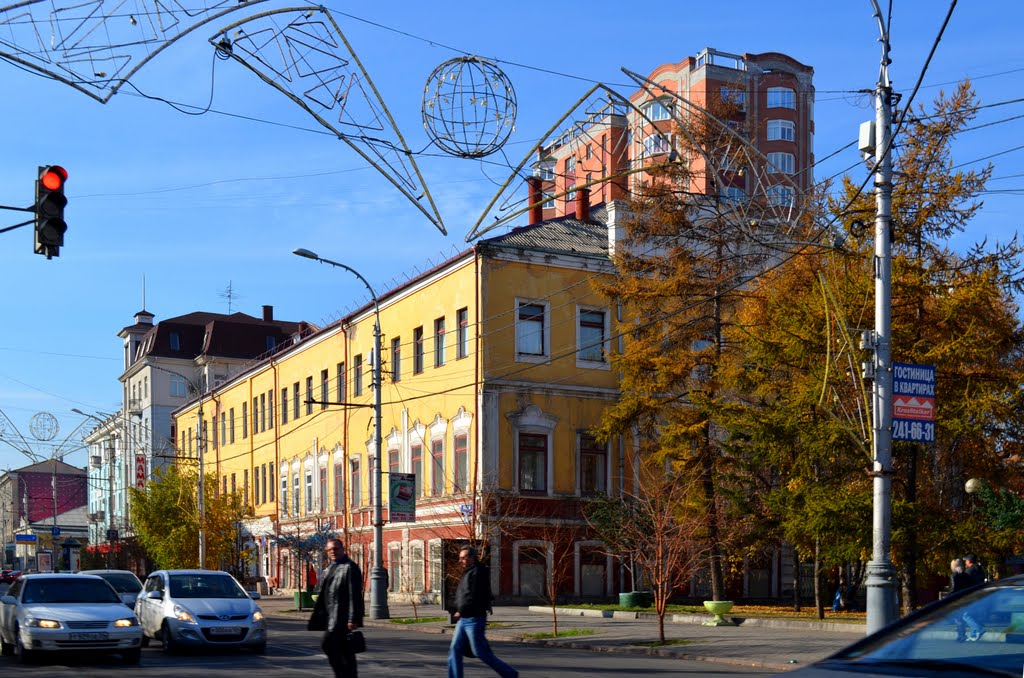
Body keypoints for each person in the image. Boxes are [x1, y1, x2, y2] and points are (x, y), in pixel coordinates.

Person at [447, 546, 517, 678]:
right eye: (460, 558)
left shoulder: (479, 572)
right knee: (455, 649)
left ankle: (510, 674)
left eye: (463, 558)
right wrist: (458, 609)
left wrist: (461, 610)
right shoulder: (468, 572)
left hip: (474, 618)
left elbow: (474, 595)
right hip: (464, 619)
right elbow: (464, 594)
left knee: (480, 652)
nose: (460, 561)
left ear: (472, 558)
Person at [309, 539, 364, 678]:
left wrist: (353, 618)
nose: (333, 552)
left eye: (336, 549)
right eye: (330, 550)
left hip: (342, 618)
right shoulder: (332, 567)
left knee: (329, 645)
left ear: (342, 549)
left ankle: (344, 675)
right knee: (344, 651)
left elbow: (355, 594)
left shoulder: (349, 567)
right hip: (332, 616)